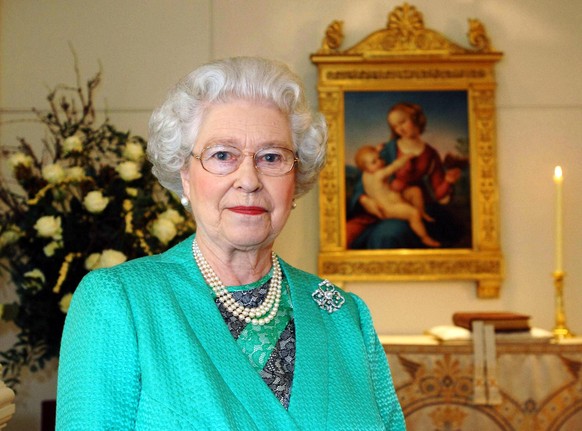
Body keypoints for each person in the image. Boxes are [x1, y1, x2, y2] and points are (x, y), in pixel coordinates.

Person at [56, 57, 406, 430]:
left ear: (296, 181)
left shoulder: (344, 314)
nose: (249, 179)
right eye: (223, 155)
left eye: (272, 157)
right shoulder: (119, 302)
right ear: (185, 175)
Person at [347, 101, 463, 249]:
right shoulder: (388, 150)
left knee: (445, 227)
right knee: (388, 235)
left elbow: (438, 192)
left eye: (402, 122)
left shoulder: (430, 153)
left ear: (415, 119)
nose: (399, 129)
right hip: (388, 203)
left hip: (418, 202)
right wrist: (364, 200)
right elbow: (365, 181)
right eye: (395, 126)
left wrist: (448, 181)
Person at [354, 144, 440, 247]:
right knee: (413, 213)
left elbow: (369, 159)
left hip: (393, 199)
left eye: (379, 158)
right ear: (366, 168)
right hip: (388, 208)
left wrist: (376, 151)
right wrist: (405, 157)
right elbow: (395, 166)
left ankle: (423, 213)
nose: (380, 162)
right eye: (374, 162)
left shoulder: (366, 174)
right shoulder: (379, 174)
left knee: (415, 191)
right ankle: (425, 238)